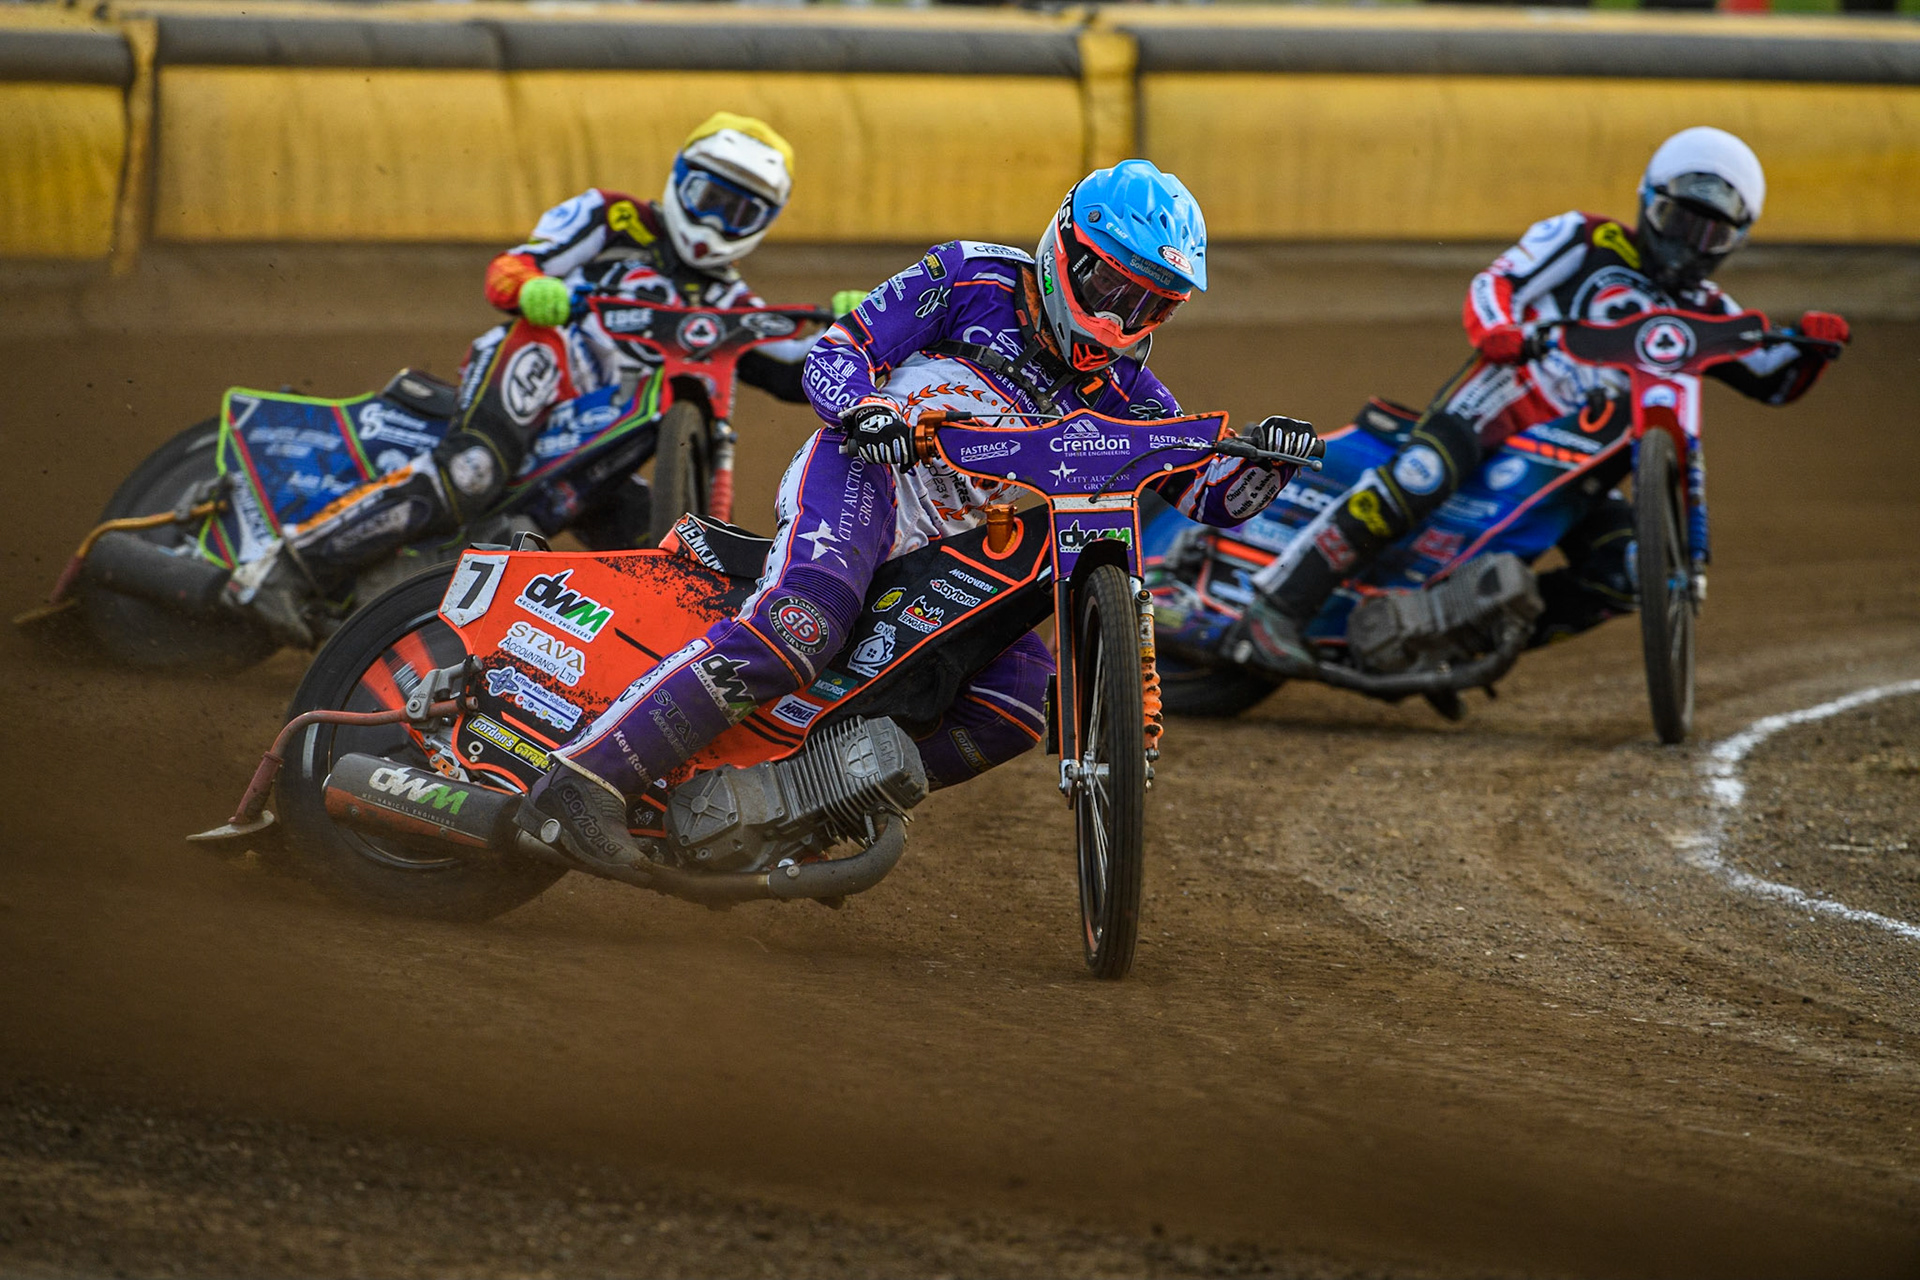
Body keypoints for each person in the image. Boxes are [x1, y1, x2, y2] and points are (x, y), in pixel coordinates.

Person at [522, 159, 1323, 873]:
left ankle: (801, 806)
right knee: (804, 621)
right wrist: (867, 410)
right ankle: (586, 778)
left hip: (960, 552)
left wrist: (1270, 465)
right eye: (1113, 287)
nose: (1120, 320)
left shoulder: (1132, 395)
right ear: (1065, 249)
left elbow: (1208, 494)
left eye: (1152, 305)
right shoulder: (968, 275)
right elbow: (837, 351)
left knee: (1011, 708)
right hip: (865, 475)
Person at [1224, 126, 1852, 672]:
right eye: (1679, 221)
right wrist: (1500, 331)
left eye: (1710, 234)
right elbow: (1498, 281)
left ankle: (1457, 637)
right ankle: (1276, 609)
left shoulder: (1709, 312)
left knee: (1629, 576)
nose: (1689, 244)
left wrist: (1814, 347)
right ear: (1648, 201)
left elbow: (1774, 378)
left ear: (1735, 240)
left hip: (1589, 463)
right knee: (1419, 477)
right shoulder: (1582, 237)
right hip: (1503, 400)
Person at [240, 112, 824, 647]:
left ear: (764, 223)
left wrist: (858, 328)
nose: (717, 221)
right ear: (679, 179)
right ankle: (286, 568)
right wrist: (533, 287)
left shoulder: (733, 306)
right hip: (541, 365)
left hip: (604, 436)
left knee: (650, 540)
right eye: (707, 197)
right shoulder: (612, 217)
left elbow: (799, 373)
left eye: (740, 212)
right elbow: (511, 267)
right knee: (474, 469)